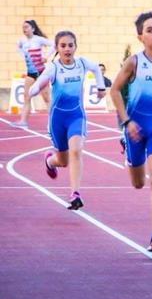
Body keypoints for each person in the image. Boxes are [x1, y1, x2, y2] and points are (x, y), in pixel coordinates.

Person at [110, 11, 152, 254]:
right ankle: (127, 153)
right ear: (141, 37)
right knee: (138, 183)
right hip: (134, 127)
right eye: (150, 30)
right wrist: (126, 121)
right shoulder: (135, 62)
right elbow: (115, 90)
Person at [29, 30, 105, 211]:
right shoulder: (54, 68)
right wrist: (34, 89)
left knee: (76, 151)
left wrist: (101, 87)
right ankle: (50, 161)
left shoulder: (82, 64)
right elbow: (39, 83)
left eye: (70, 45)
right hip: (57, 120)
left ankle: (75, 193)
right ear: (56, 48)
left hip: (76, 116)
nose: (67, 49)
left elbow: (96, 68)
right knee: (63, 161)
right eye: (63, 46)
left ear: (75, 47)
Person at [15, 19, 53, 128]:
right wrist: (24, 57)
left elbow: (53, 45)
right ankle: (23, 121)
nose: (24, 29)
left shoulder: (38, 40)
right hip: (30, 73)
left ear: (33, 28)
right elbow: (18, 48)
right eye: (23, 27)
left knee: (46, 98)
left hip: (41, 72)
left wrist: (46, 57)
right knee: (26, 97)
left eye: (26, 27)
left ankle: (53, 122)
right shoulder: (22, 41)